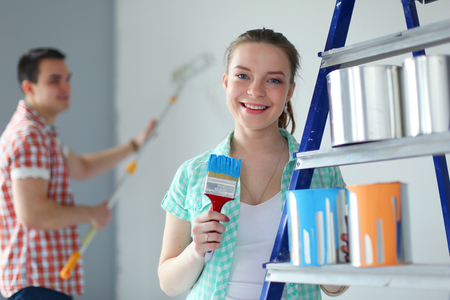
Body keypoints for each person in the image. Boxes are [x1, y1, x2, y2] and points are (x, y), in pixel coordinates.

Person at [158, 29, 349, 300]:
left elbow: (334, 287)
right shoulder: (192, 173)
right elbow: (169, 284)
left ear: (289, 91)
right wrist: (196, 250)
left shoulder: (319, 170)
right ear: (225, 82)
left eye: (273, 80)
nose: (255, 90)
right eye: (242, 75)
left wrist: (334, 258)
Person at [0, 48, 157, 300]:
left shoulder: (42, 133)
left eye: (67, 79)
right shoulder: (29, 137)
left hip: (43, 282)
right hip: (36, 284)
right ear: (29, 88)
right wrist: (90, 213)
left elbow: (82, 167)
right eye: (54, 80)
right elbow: (33, 214)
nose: (66, 87)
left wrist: (135, 145)